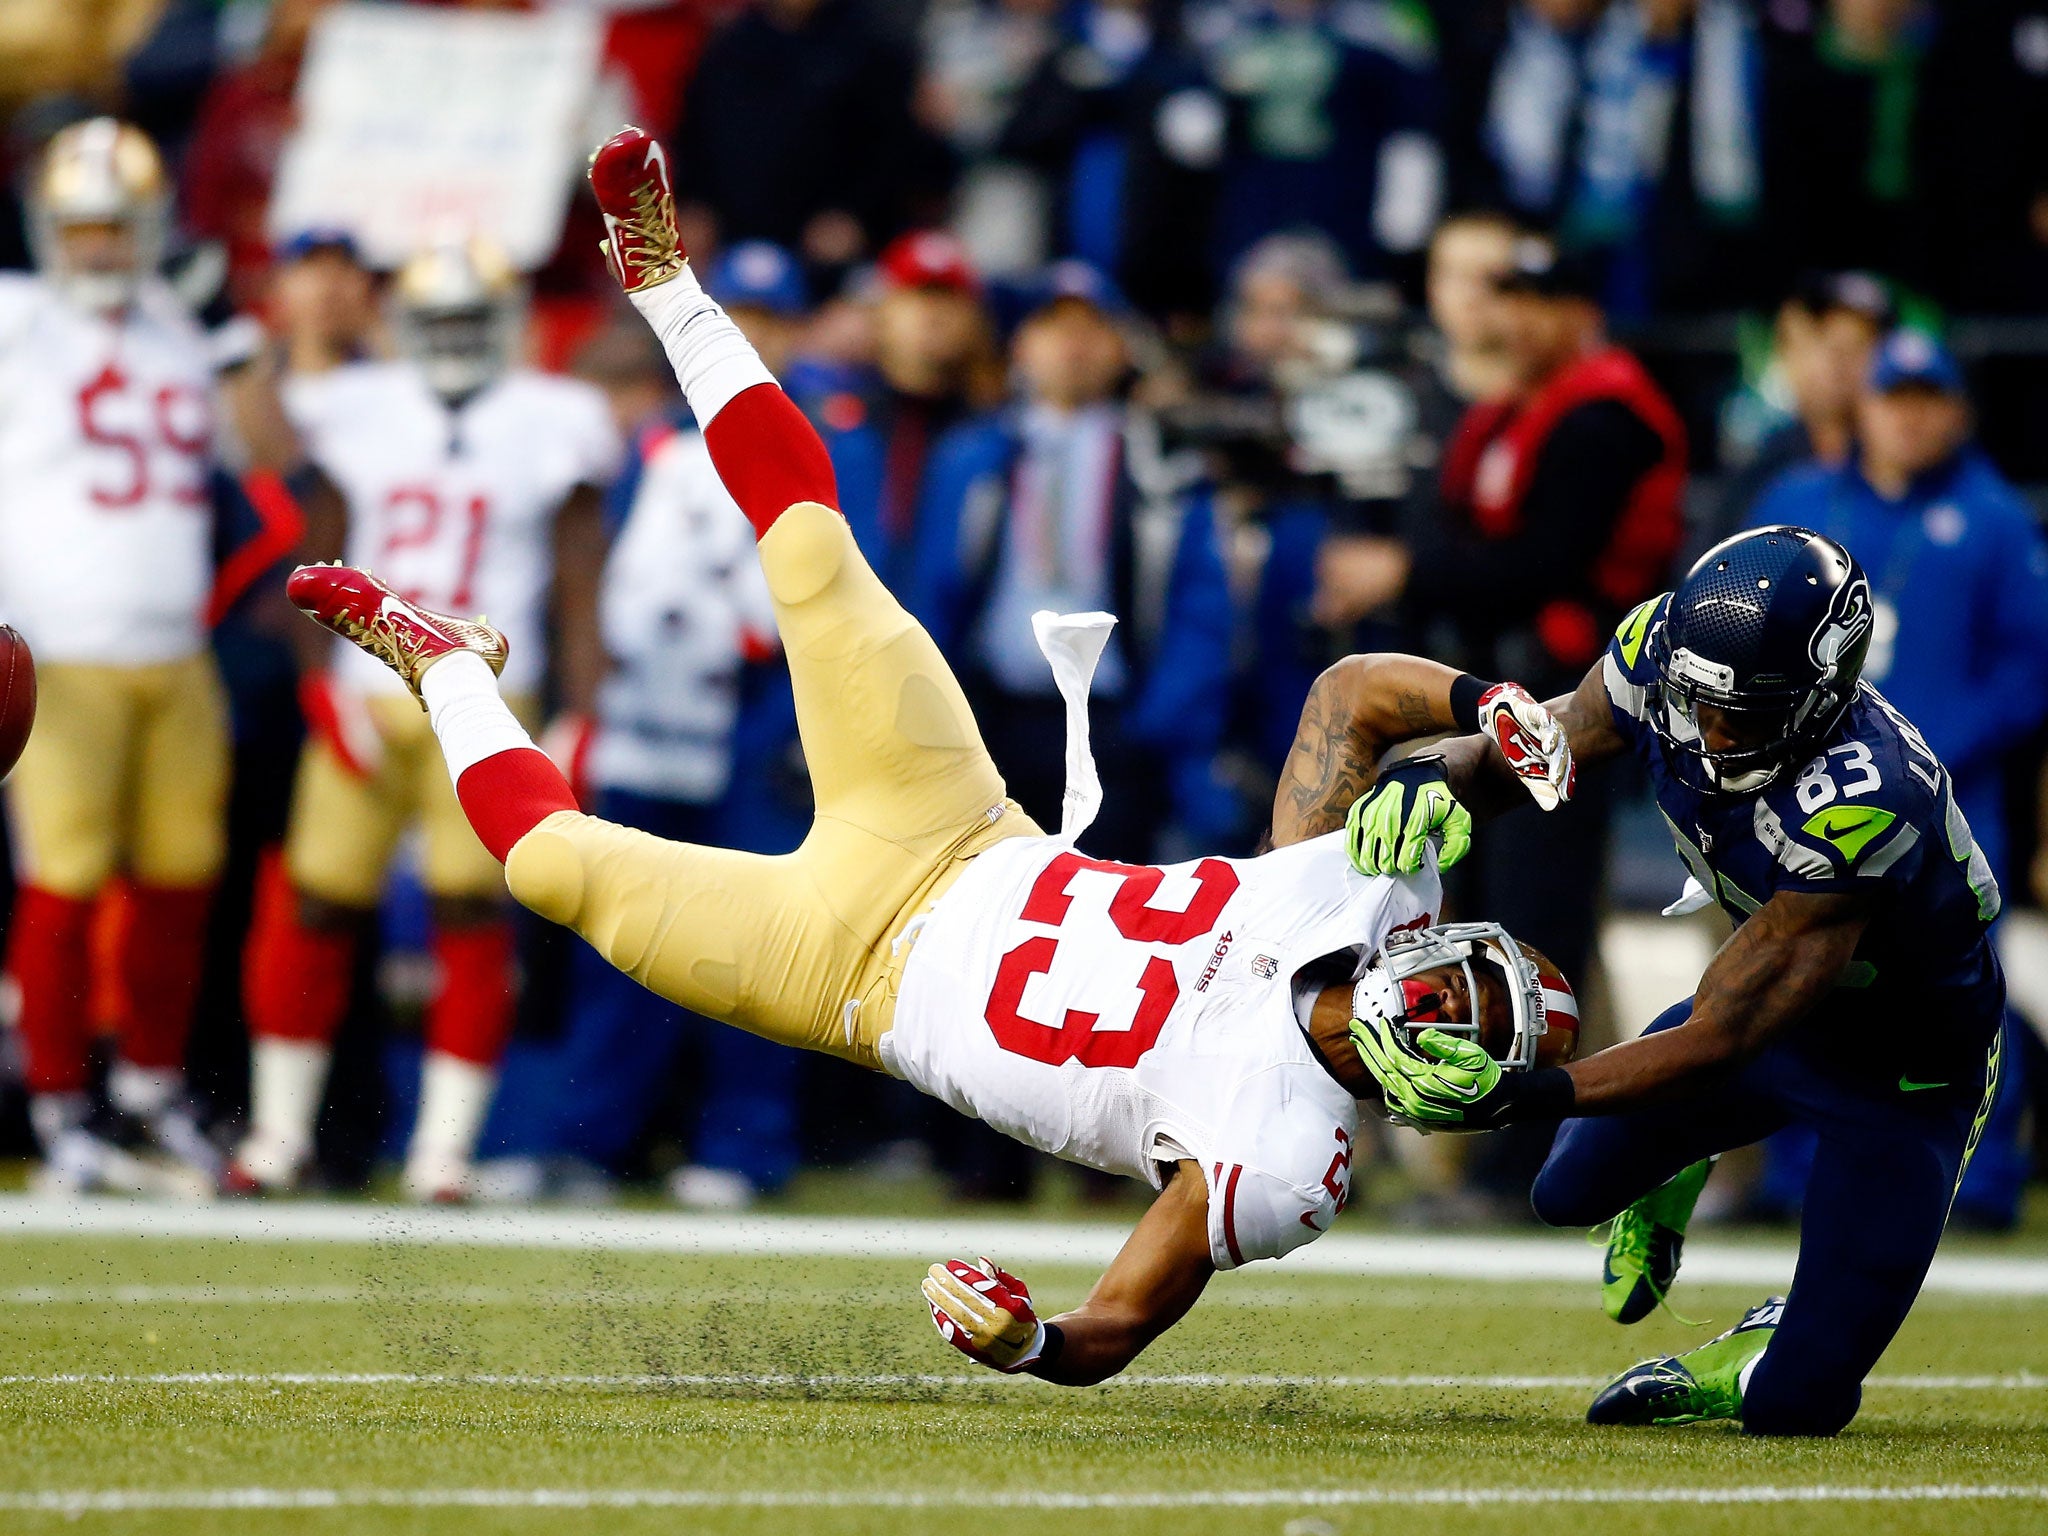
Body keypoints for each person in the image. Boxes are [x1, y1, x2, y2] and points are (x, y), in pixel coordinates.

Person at [284, 126, 1580, 1382]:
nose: (1438, 974)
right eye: (1471, 967)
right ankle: (663, 278)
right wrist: (1488, 706)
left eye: (1460, 1007)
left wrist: (1029, 1344)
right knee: (809, 549)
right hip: (960, 828)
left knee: (554, 872)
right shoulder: (1362, 896)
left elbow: (1115, 1325)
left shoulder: (1286, 1160)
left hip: (849, 976)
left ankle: (443, 660)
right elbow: (1353, 693)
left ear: (1447, 1077)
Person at [1336, 525, 2009, 1436]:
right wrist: (1431, 776)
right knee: (1562, 1194)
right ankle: (1671, 1171)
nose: (1711, 732)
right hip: (1759, 1012)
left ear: (1825, 692)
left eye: (1747, 714)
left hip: (1901, 1073)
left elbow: (1721, 1041)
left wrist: (1516, 1095)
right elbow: (1535, 754)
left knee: (1797, 1408)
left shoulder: (1865, 799)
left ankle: (1759, 1348)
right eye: (1696, 701)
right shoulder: (1664, 655)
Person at [228, 237, 621, 1202]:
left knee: (471, 911)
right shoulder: (357, 408)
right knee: (316, 899)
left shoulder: (554, 416)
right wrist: (320, 684)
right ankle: (278, 1137)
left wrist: (581, 710)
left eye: (469, 321)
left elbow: (579, 575)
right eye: (435, 322)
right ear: (403, 329)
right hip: (365, 692)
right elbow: (312, 552)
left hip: (488, 698)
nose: (452, 339)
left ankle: (442, 1153)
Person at [0, 118, 311, 1194]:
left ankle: (146, 1089)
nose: (95, 250)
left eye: (115, 229)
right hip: (57, 654)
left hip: (178, 655)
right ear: (47, 231)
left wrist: (232, 338)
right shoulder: (15, 319)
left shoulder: (188, 327)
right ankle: (56, 1107)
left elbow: (275, 455)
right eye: (79, 230)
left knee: (182, 877)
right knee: (65, 882)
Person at [1314, 234, 1685, 1115]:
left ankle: (1519, 1142)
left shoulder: (1607, 418)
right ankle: (1466, 1137)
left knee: (1533, 922)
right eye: (1508, 297)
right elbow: (1460, 541)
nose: (1515, 319)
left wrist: (1405, 573)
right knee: (1461, 915)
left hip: (1569, 710)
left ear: (1581, 315)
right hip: (1493, 701)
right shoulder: (1512, 408)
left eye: (1538, 300)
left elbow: (1546, 563)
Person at [1744, 330, 2048, 1226]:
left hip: (1950, 799)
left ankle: (1981, 1180)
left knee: (1957, 980)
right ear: (1864, 407)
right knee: (1798, 978)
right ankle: (1795, 1174)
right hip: (1809, 793)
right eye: (1895, 397)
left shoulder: (1993, 519)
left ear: (1956, 412)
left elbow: (2031, 667)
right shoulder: (1801, 502)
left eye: (1929, 399)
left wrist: (1930, 748)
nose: (1911, 417)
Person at [911, 260, 1235, 863]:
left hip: (1112, 727)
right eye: (1053, 327)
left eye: (1093, 328)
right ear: (1021, 345)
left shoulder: (1161, 467)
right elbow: (934, 589)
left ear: (1121, 348)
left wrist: (1152, 729)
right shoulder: (975, 456)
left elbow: (1200, 609)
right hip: (996, 720)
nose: (1073, 346)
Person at [792, 230, 1004, 587]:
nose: (932, 314)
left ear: (974, 320)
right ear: (882, 312)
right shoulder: (830, 424)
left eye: (948, 299)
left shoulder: (1000, 438)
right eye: (916, 297)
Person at [1713, 270, 1892, 545]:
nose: (1837, 365)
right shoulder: (1768, 465)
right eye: (1825, 343)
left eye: (1856, 347)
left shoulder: (1906, 463)